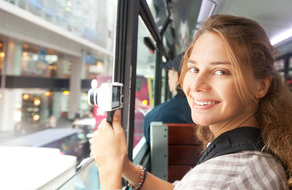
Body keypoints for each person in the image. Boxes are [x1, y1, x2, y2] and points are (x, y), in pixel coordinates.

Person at [91, 15, 292, 190]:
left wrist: (110, 172)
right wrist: (126, 167)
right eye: (194, 69)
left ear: (261, 86)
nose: (196, 84)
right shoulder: (258, 148)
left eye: (220, 71)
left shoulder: (226, 178)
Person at [144, 52, 193, 144]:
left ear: (177, 77)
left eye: (169, 73)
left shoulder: (154, 116)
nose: (168, 78)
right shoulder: (212, 115)